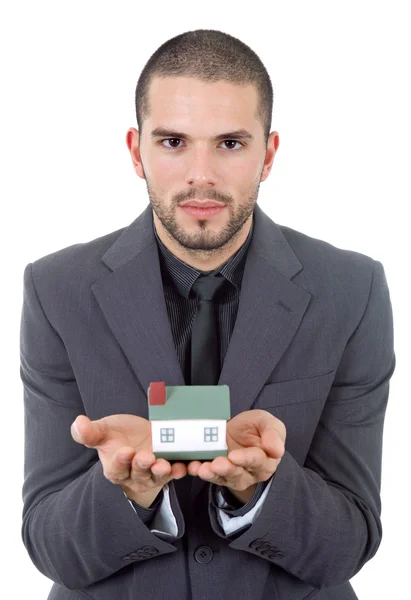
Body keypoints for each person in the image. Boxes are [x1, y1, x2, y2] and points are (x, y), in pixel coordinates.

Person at [19, 29, 396, 600]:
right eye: (173, 142)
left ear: (267, 154)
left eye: (230, 144)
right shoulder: (55, 290)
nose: (201, 175)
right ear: (134, 150)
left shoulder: (352, 289)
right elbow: (47, 543)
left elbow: (353, 540)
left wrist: (265, 489)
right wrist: (123, 490)